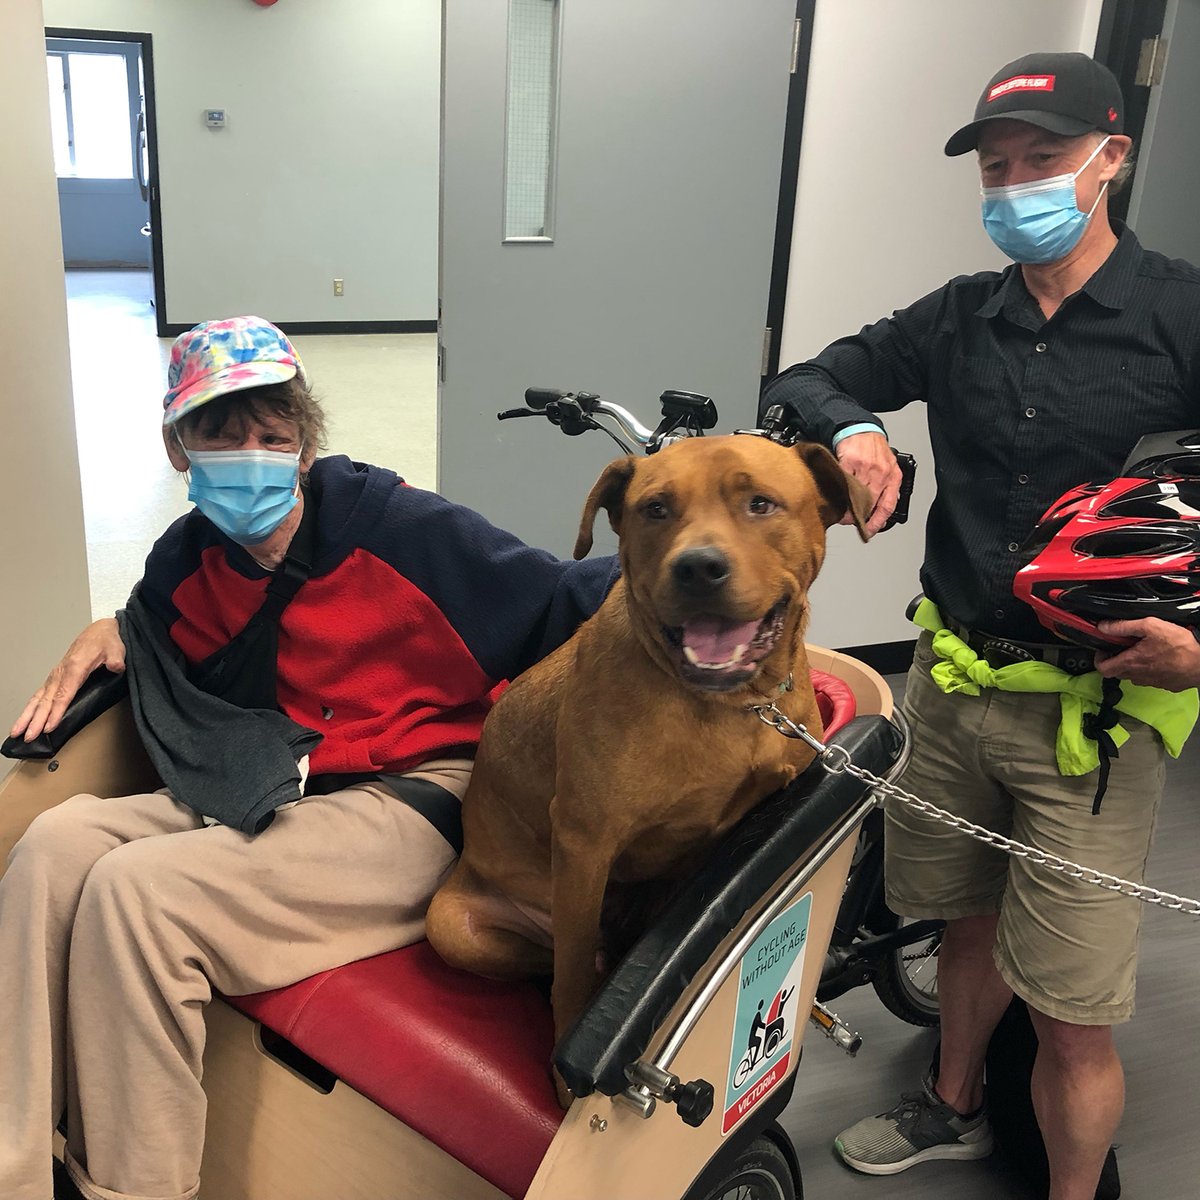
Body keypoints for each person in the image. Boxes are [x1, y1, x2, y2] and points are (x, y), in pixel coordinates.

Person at [1, 315, 616, 1200]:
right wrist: (115, 629)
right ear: (179, 449)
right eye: (221, 435)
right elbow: (156, 631)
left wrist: (705, 597)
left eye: (272, 436)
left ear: (305, 444)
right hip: (270, 777)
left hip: (415, 797)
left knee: (139, 898)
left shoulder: (401, 529)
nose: (250, 455)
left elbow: (566, 598)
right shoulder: (186, 563)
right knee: (53, 850)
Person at [760, 51, 1200, 1200]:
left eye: (1042, 161)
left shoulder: (1183, 318)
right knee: (958, 921)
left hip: (1095, 726)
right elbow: (815, 371)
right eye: (996, 169)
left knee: (1071, 1012)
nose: (1014, 189)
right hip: (951, 693)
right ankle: (952, 1102)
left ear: (1112, 160)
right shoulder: (959, 317)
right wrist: (854, 427)